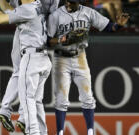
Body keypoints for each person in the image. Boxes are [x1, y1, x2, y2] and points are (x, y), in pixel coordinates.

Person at [47, 0, 129, 135]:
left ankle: (90, 131)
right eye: (67, 1)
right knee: (61, 99)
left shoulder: (88, 12)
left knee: (88, 98)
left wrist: (118, 26)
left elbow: (109, 27)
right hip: (61, 58)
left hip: (80, 57)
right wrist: (63, 39)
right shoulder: (55, 15)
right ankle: (59, 132)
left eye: (72, 2)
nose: (68, 4)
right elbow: (48, 41)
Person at [0, 0, 53, 135]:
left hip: (31, 58)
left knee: (27, 99)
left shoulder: (27, 10)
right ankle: (42, 132)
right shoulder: (38, 6)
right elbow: (10, 10)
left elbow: (0, 19)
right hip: (44, 58)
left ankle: (32, 132)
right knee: (37, 101)